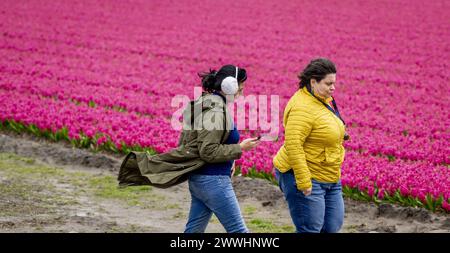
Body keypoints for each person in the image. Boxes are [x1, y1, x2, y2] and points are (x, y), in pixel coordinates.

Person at [273, 58, 348, 233]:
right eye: (328, 83)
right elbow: (294, 145)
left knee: (331, 227)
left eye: (334, 83)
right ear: (313, 81)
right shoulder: (302, 107)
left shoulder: (322, 98)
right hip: (305, 176)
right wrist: (304, 182)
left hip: (329, 175)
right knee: (310, 229)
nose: (333, 88)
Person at [183, 64, 259, 233]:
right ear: (230, 86)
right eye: (241, 89)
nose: (242, 94)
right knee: (239, 232)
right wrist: (240, 148)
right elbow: (208, 150)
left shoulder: (205, 102)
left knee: (193, 231)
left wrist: (230, 158)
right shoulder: (216, 111)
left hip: (199, 178)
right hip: (213, 180)